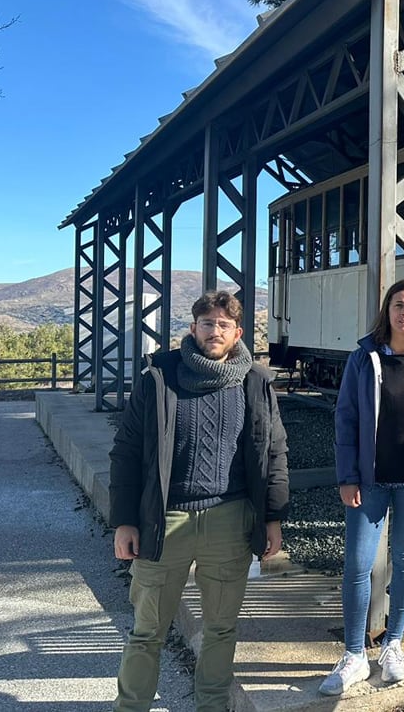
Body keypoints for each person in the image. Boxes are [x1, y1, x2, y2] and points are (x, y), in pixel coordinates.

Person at [108, 291, 289, 712]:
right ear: (193, 329)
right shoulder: (160, 376)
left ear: (238, 332)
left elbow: (274, 450)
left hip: (229, 519)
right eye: (207, 323)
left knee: (221, 629)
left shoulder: (256, 382)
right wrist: (125, 520)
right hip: (165, 520)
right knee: (147, 630)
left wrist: (273, 517)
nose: (215, 331)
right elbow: (127, 450)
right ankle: (130, 707)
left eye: (224, 324)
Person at [320, 278, 404, 696]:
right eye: (399, 305)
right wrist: (346, 476)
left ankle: (394, 644)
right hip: (369, 481)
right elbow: (345, 418)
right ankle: (354, 655)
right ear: (388, 310)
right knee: (358, 565)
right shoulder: (364, 358)